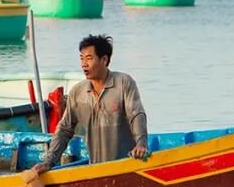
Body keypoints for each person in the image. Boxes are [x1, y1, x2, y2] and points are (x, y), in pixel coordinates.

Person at [33, 34, 149, 174]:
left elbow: (136, 114)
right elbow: (64, 129)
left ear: (104, 60)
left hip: (126, 167)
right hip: (96, 169)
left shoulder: (124, 83)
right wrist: (49, 161)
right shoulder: (77, 92)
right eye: (81, 58)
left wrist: (141, 144)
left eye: (89, 58)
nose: (84, 64)